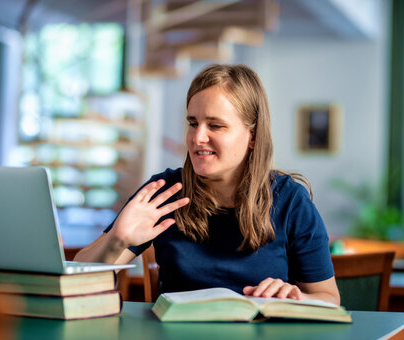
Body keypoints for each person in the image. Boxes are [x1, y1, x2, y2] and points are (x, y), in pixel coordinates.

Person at [75, 64, 340, 305]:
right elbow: (77, 281)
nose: (197, 137)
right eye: (193, 123)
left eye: (215, 125)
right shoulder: (165, 192)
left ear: (253, 136)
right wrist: (116, 241)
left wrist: (296, 295)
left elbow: (329, 298)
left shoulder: (290, 200)